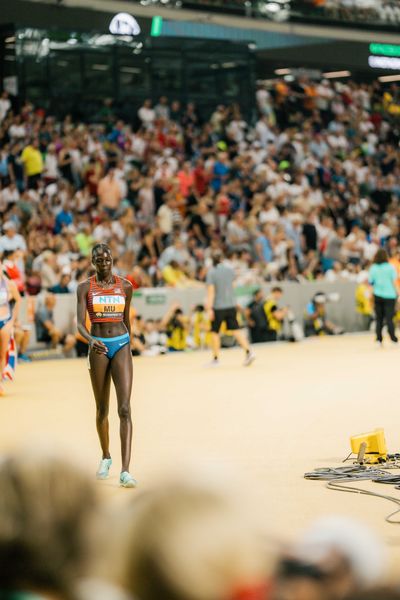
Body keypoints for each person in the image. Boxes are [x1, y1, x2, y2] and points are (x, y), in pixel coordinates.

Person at [76, 243, 136, 488]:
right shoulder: (84, 288)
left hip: (121, 344)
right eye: (99, 260)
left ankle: (126, 470)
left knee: (125, 409)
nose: (104, 264)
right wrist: (91, 341)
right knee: (102, 409)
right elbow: (80, 324)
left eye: (107, 260)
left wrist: (129, 347)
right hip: (98, 347)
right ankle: (106, 456)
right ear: (92, 262)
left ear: (112, 260)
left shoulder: (125, 286)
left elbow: (126, 319)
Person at [205, 251, 255, 366]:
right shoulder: (229, 271)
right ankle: (249, 352)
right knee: (236, 330)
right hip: (231, 305)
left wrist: (209, 309)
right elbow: (233, 287)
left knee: (215, 332)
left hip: (218, 306)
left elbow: (211, 293)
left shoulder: (212, 273)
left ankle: (216, 359)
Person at [369, 248, 398, 346]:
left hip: (377, 295)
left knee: (379, 318)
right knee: (389, 318)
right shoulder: (390, 267)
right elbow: (394, 282)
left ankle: (379, 339)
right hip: (390, 295)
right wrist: (397, 293)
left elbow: (371, 282)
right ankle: (393, 339)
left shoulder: (373, 268)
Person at [0, 263, 20, 395]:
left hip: (4, 321)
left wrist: (12, 321)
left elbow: (18, 300)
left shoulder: (9, 284)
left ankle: (0, 381)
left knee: (2, 353)